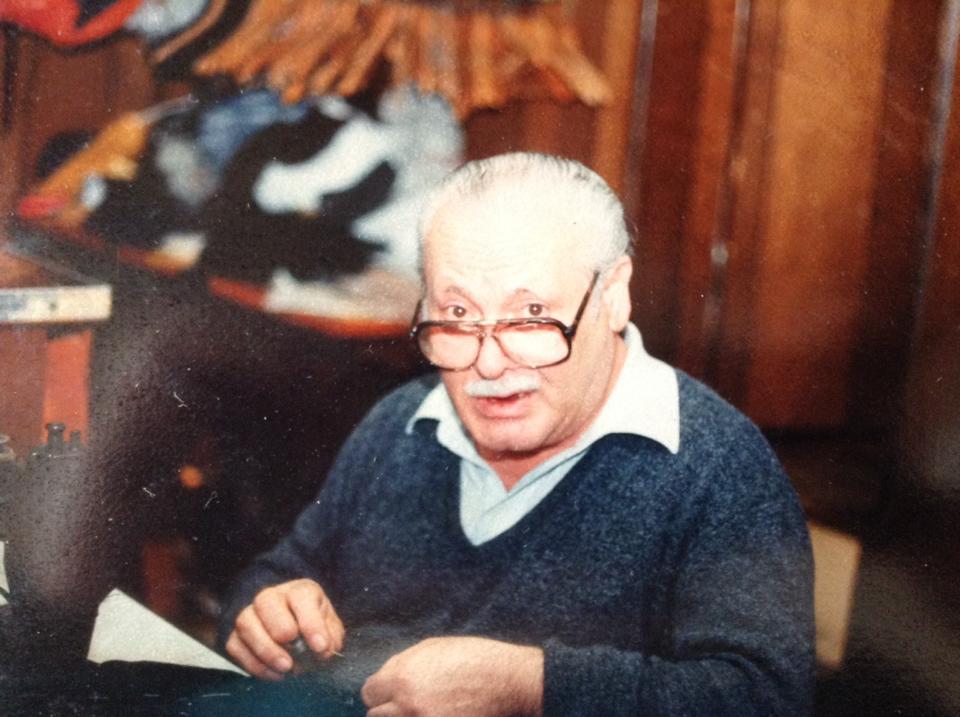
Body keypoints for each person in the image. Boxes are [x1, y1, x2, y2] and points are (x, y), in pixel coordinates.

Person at [218, 152, 814, 716]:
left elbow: (766, 699)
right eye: (457, 315)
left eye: (531, 316)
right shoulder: (402, 423)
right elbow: (279, 576)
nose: (489, 364)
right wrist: (265, 613)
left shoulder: (716, 465)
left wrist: (533, 688)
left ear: (613, 297)